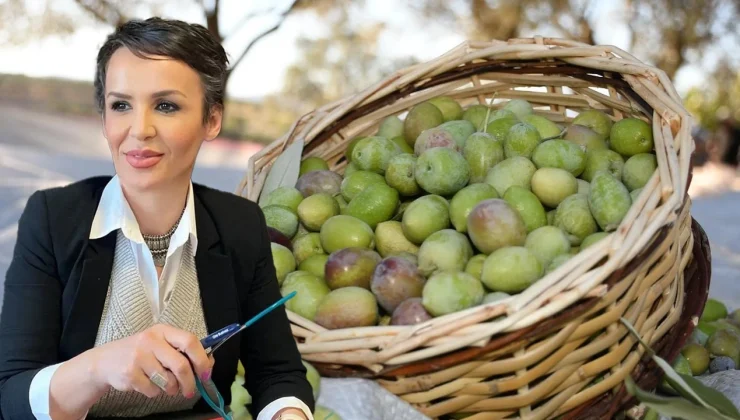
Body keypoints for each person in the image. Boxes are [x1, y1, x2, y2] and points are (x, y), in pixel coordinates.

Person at [0, 17, 314, 420]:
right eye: (121, 105)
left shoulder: (241, 225)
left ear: (212, 119)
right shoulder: (52, 219)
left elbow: (277, 373)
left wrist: (288, 414)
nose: (139, 129)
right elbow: (11, 395)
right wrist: (98, 367)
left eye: (166, 105)